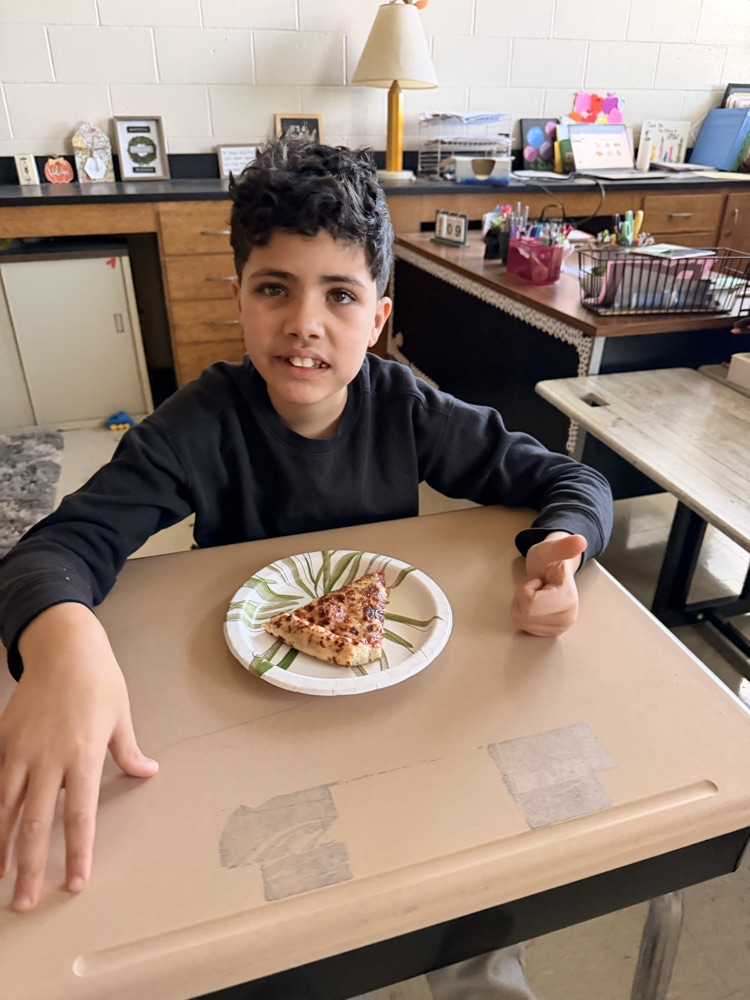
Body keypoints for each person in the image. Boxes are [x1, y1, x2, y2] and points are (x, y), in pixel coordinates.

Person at [0, 139, 612, 995]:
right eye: (274, 290)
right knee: (261, 931)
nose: (304, 325)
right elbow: (55, 549)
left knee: (465, 898)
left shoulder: (410, 409)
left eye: (340, 295)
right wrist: (64, 642)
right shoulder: (197, 425)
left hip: (400, 718)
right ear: (241, 299)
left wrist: (563, 548)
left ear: (379, 316)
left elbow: (568, 478)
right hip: (240, 720)